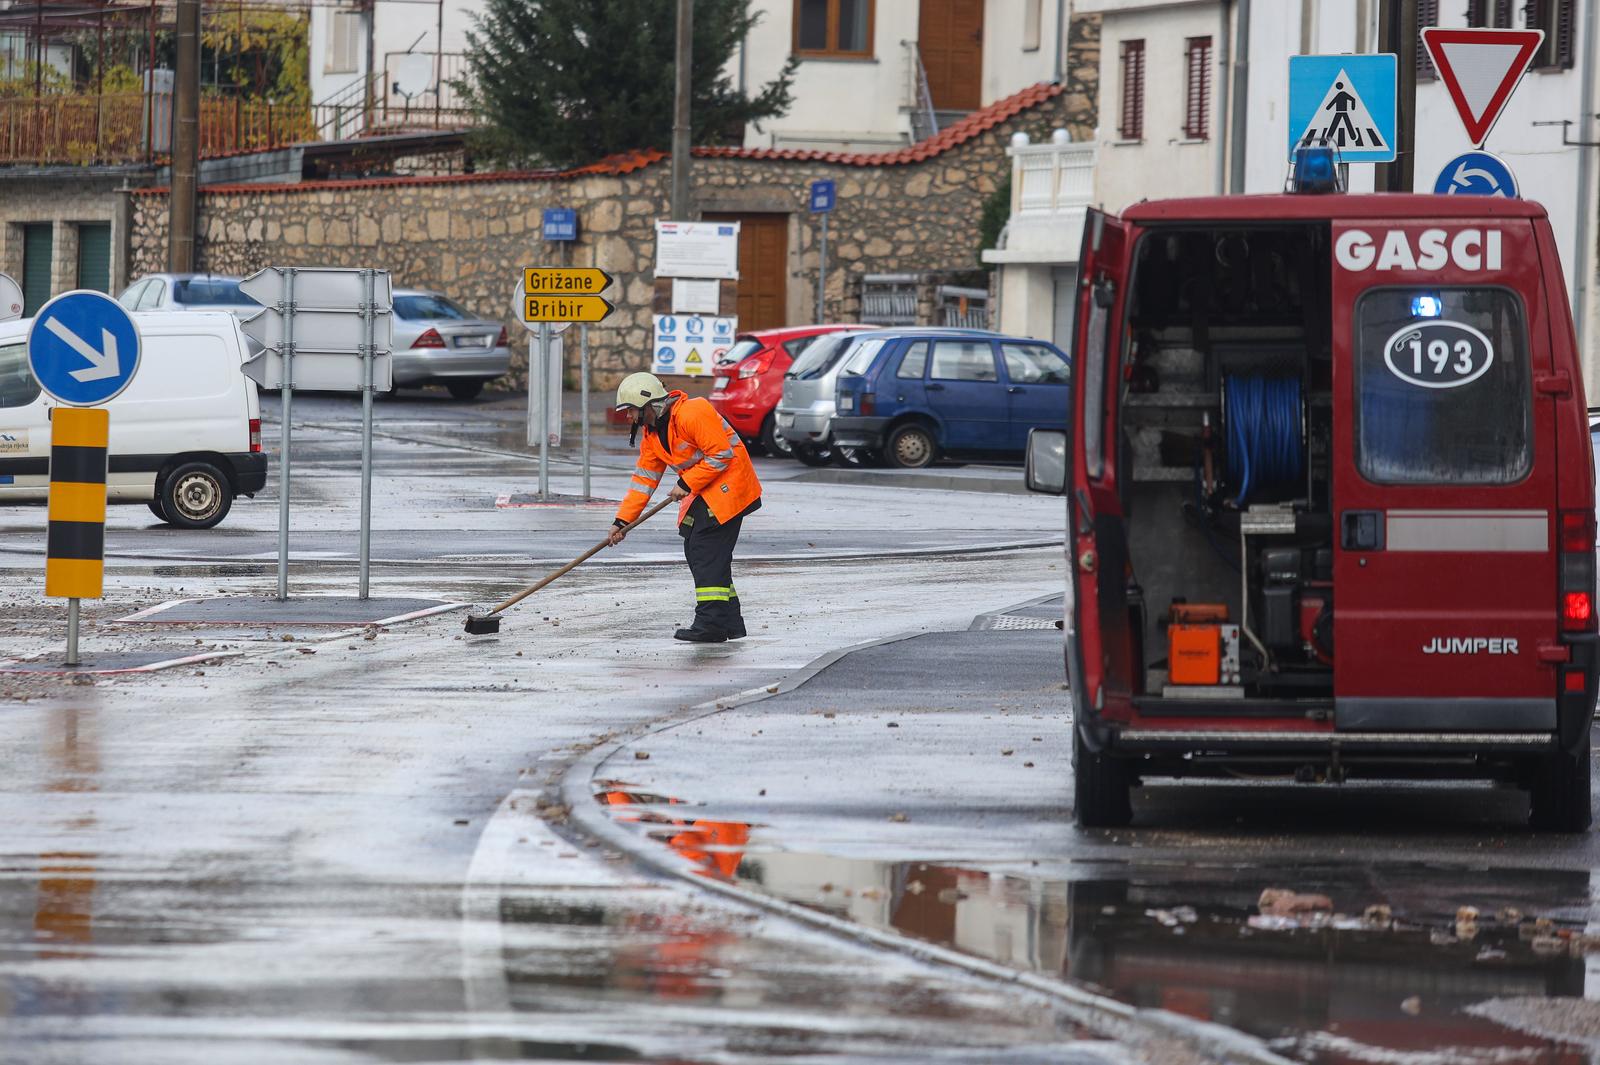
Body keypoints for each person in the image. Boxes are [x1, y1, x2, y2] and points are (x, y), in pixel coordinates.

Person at [606, 372, 761, 642]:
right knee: (696, 547)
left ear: (648, 405)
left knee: (705, 552)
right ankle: (729, 621)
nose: (628, 417)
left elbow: (722, 454)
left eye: (630, 410)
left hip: (730, 488)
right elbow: (643, 481)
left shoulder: (692, 411)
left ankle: (710, 626)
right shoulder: (652, 435)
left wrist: (687, 482)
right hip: (705, 490)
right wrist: (622, 522)